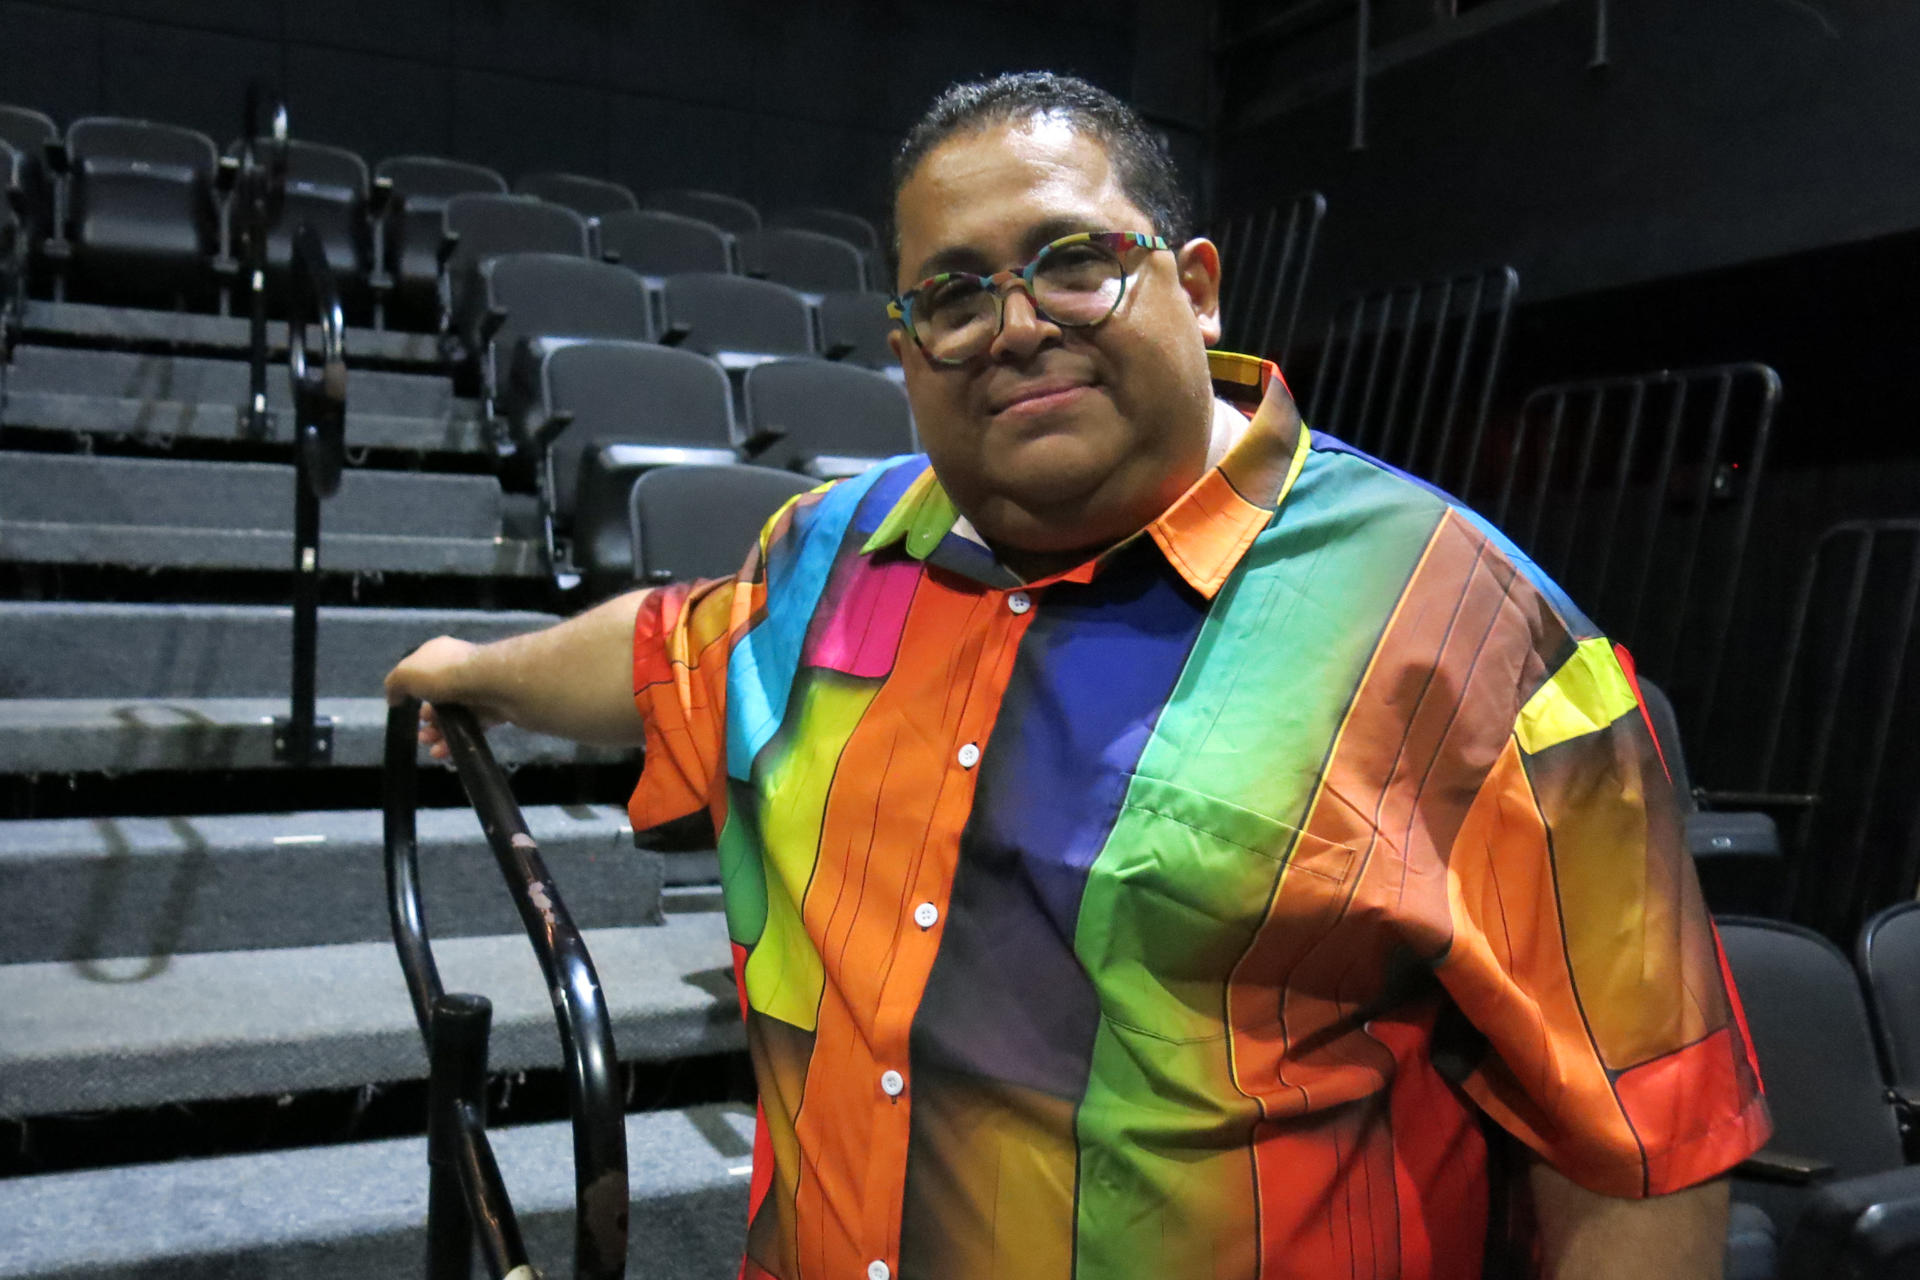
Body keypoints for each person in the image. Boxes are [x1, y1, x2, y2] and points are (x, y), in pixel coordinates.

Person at [388, 73, 1768, 1280]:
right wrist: (469, 671)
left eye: (1072, 260)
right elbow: (657, 653)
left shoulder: (1466, 627)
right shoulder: (825, 556)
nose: (1015, 324)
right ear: (908, 343)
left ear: (1199, 283)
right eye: (953, 290)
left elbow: (1642, 1142)